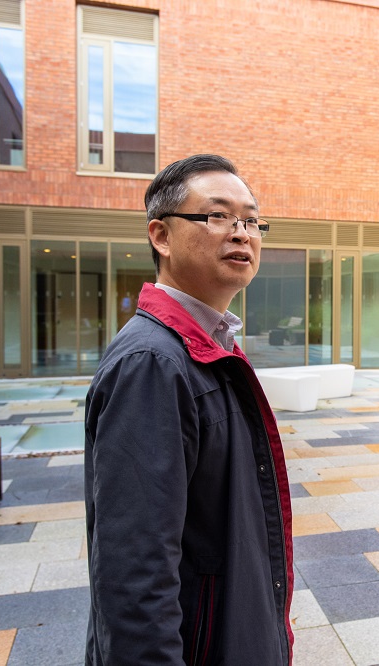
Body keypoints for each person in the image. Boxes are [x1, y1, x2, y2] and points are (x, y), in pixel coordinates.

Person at [84, 154, 293, 665]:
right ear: (161, 236)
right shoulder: (153, 363)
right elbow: (135, 569)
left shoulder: (207, 345)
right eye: (217, 216)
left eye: (250, 220)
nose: (241, 233)